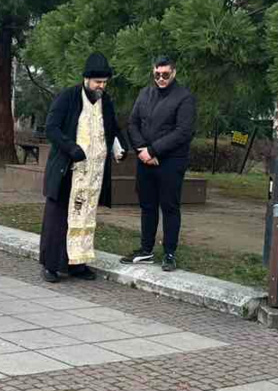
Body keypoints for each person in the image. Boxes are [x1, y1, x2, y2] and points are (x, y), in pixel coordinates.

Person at [39, 52, 127, 283]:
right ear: (86, 79)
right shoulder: (68, 97)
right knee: (58, 220)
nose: (101, 87)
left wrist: (119, 147)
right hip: (68, 171)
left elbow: (112, 129)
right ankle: (51, 265)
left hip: (92, 176)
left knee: (86, 218)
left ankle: (77, 263)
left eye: (104, 83)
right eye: (98, 82)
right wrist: (71, 148)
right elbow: (52, 128)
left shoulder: (105, 101)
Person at [121, 56, 197, 272]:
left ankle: (170, 253)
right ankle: (146, 249)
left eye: (165, 74)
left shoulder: (184, 97)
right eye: (157, 74)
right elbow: (132, 123)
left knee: (170, 207)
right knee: (147, 206)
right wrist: (143, 151)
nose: (161, 78)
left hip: (171, 161)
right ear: (153, 72)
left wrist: (154, 151)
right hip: (145, 159)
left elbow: (183, 132)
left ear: (173, 72)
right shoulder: (145, 93)